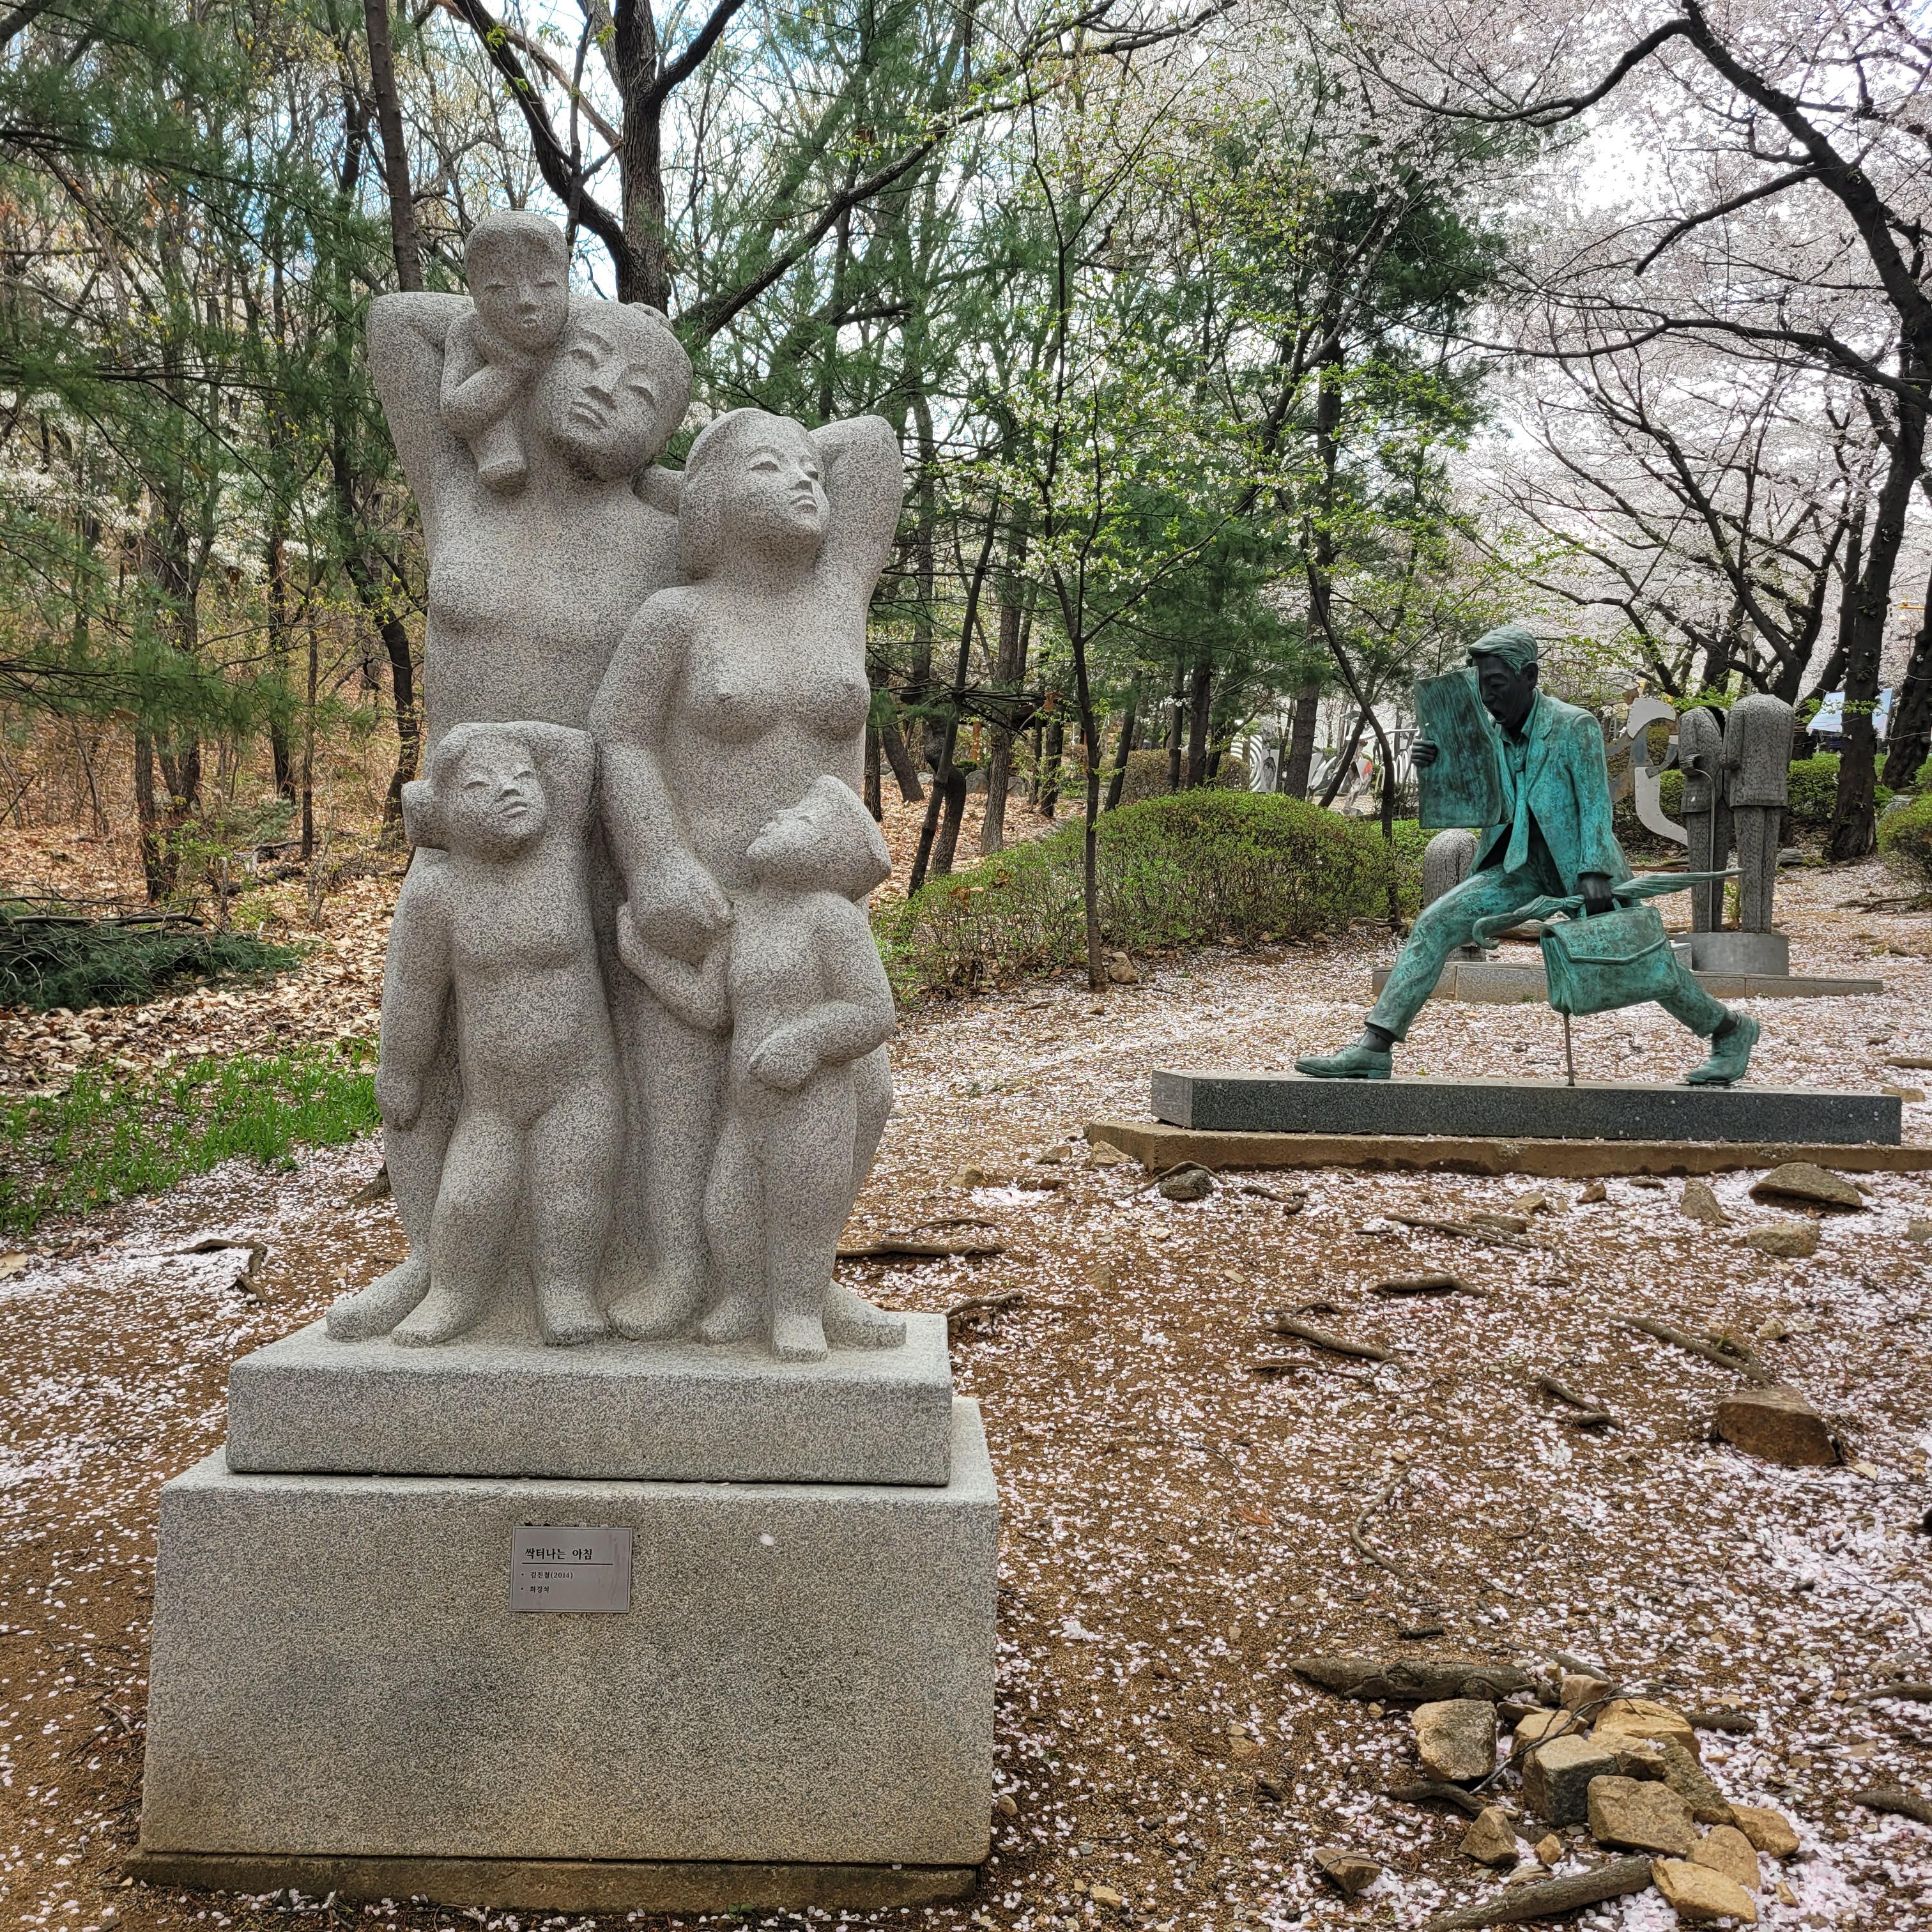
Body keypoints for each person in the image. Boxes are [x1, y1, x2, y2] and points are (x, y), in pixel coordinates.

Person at [329, 241, 693, 1343]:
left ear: (664, 433)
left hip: (598, 833)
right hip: (462, 829)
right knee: (428, 1046)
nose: (605, 392)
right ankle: (432, 1261)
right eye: (589, 361)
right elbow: (396, 323)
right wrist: (532, 328)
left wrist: (671, 470)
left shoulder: (670, 535)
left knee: (602, 1073)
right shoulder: (462, 486)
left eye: (642, 395)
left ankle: (617, 1266)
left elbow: (840, 473)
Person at [590, 406, 905, 1345]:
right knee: (684, 1101)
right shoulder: (677, 616)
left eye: (809, 468)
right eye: (770, 468)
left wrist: (736, 461)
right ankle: (684, 1271)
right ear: (714, 502)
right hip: (705, 891)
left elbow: (872, 446)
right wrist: (656, 860)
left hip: (820, 897)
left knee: (857, 1093)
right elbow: (620, 736)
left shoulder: (838, 593)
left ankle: (804, 1280)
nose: (806, 479)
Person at [1295, 624, 1760, 1085]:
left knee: (1642, 959)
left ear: (1530, 676)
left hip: (1583, 868)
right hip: (1517, 866)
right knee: (1434, 924)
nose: (1488, 697)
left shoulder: (1574, 725)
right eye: (1482, 687)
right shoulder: (1489, 736)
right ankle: (1374, 1049)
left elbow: (1595, 805)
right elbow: (1475, 802)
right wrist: (1435, 766)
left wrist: (1594, 869)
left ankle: (1730, 1029)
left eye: (1497, 685)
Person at [341, 723, 620, 1347]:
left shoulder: (559, 855)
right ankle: (453, 1293)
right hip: (491, 1099)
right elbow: (415, 992)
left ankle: (566, 1292)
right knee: (470, 1201)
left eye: (522, 778)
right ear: (440, 810)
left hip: (580, 1083)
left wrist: (481, 741)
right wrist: (402, 1068)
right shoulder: (439, 891)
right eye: (480, 786)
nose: (509, 791)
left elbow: (575, 754)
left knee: (572, 1192)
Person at [440, 211, 572, 494]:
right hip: (505, 440)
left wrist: (640, 319)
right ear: (476, 296)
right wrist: (509, 370)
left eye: (544, 284)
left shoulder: (576, 321)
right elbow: (456, 411)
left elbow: (613, 321)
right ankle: (500, 451)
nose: (526, 300)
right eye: (500, 288)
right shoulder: (470, 329)